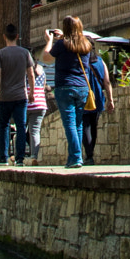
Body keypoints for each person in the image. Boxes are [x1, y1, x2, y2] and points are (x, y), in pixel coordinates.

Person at [41, 16, 93, 169]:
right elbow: (73, 44)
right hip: (83, 87)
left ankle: (76, 157)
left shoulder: (61, 45)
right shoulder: (86, 45)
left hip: (65, 87)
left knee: (69, 123)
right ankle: (73, 157)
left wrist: (49, 40)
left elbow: (46, 57)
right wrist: (63, 37)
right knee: (78, 123)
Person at [0, 23, 33, 165]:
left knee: (4, 126)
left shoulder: (0, 54)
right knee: (21, 126)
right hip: (21, 96)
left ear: (4, 37)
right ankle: (20, 158)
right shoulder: (25, 53)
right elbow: (31, 74)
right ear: (17, 36)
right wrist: (31, 92)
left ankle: (3, 156)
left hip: (5, 96)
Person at [78, 44, 115, 165]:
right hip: (98, 97)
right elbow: (107, 81)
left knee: (85, 126)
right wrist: (110, 99)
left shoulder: (80, 60)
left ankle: (89, 155)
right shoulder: (100, 61)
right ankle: (90, 153)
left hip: (85, 96)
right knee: (93, 126)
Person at [24, 61, 48, 164]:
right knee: (35, 131)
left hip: (26, 102)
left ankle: (18, 155)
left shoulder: (24, 70)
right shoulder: (42, 70)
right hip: (40, 103)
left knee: (21, 129)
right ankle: (34, 156)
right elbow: (43, 86)